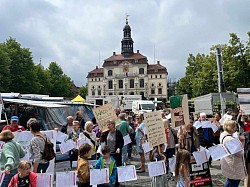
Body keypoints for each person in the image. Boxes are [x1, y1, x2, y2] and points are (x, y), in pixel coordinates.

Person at [220, 120, 247, 187]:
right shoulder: (229, 138)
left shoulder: (223, 134)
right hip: (233, 164)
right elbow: (239, 153)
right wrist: (242, 142)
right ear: (232, 127)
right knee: (233, 182)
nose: (236, 129)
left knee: (230, 181)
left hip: (228, 162)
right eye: (235, 127)